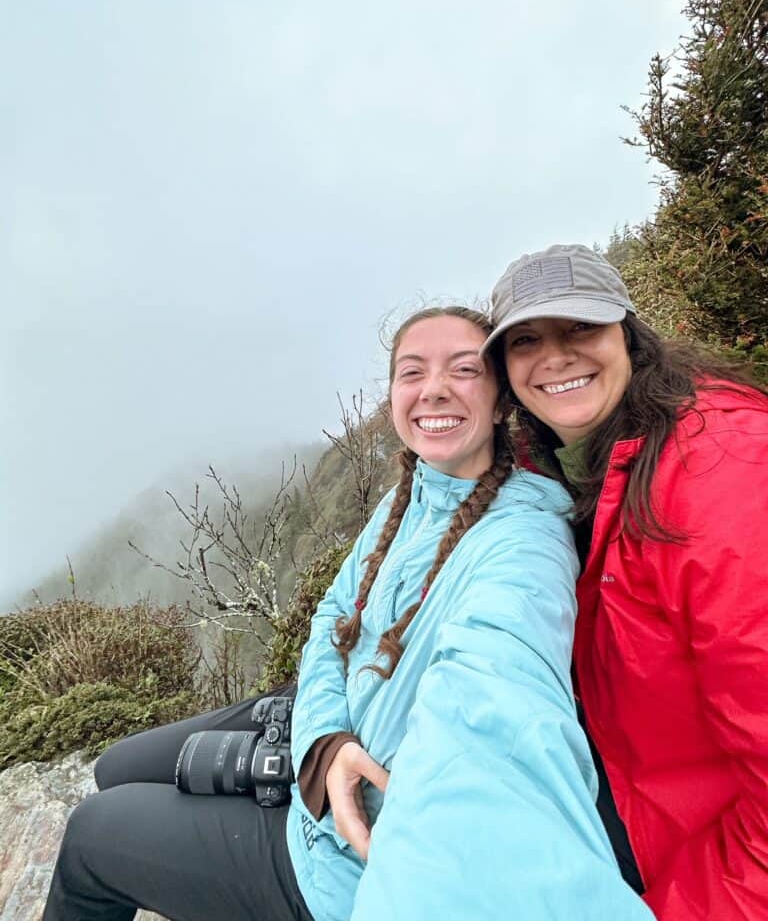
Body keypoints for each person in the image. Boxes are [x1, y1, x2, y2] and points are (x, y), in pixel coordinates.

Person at [44, 306, 652, 921]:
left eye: (464, 370)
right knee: (113, 767)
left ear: (500, 403)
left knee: (92, 833)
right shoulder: (410, 494)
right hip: (323, 726)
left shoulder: (524, 535)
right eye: (412, 371)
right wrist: (323, 741)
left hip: (339, 860)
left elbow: (498, 702)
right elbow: (333, 617)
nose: (434, 388)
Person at [483, 244, 768, 921]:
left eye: (580, 327)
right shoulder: (572, 463)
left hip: (671, 847)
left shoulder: (723, 475)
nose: (554, 356)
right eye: (526, 340)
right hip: (603, 771)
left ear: (630, 338)